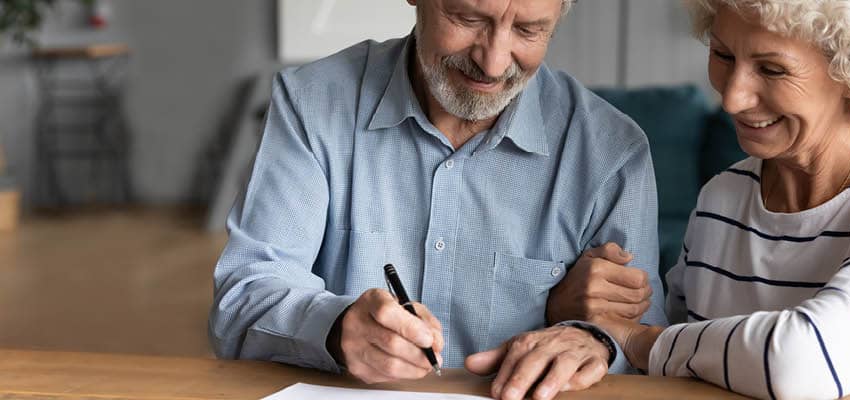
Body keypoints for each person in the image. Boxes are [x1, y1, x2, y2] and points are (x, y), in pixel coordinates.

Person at [208, 0, 667, 399]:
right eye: (468, 18)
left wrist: (594, 338)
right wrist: (333, 328)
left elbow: (645, 346)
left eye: (528, 29)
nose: (493, 62)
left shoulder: (612, 152)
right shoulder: (311, 104)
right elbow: (244, 299)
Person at [547, 0, 850, 398]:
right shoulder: (722, 199)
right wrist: (582, 316)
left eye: (772, 69)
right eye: (722, 54)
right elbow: (684, 361)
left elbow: (811, 361)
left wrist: (636, 339)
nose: (733, 98)